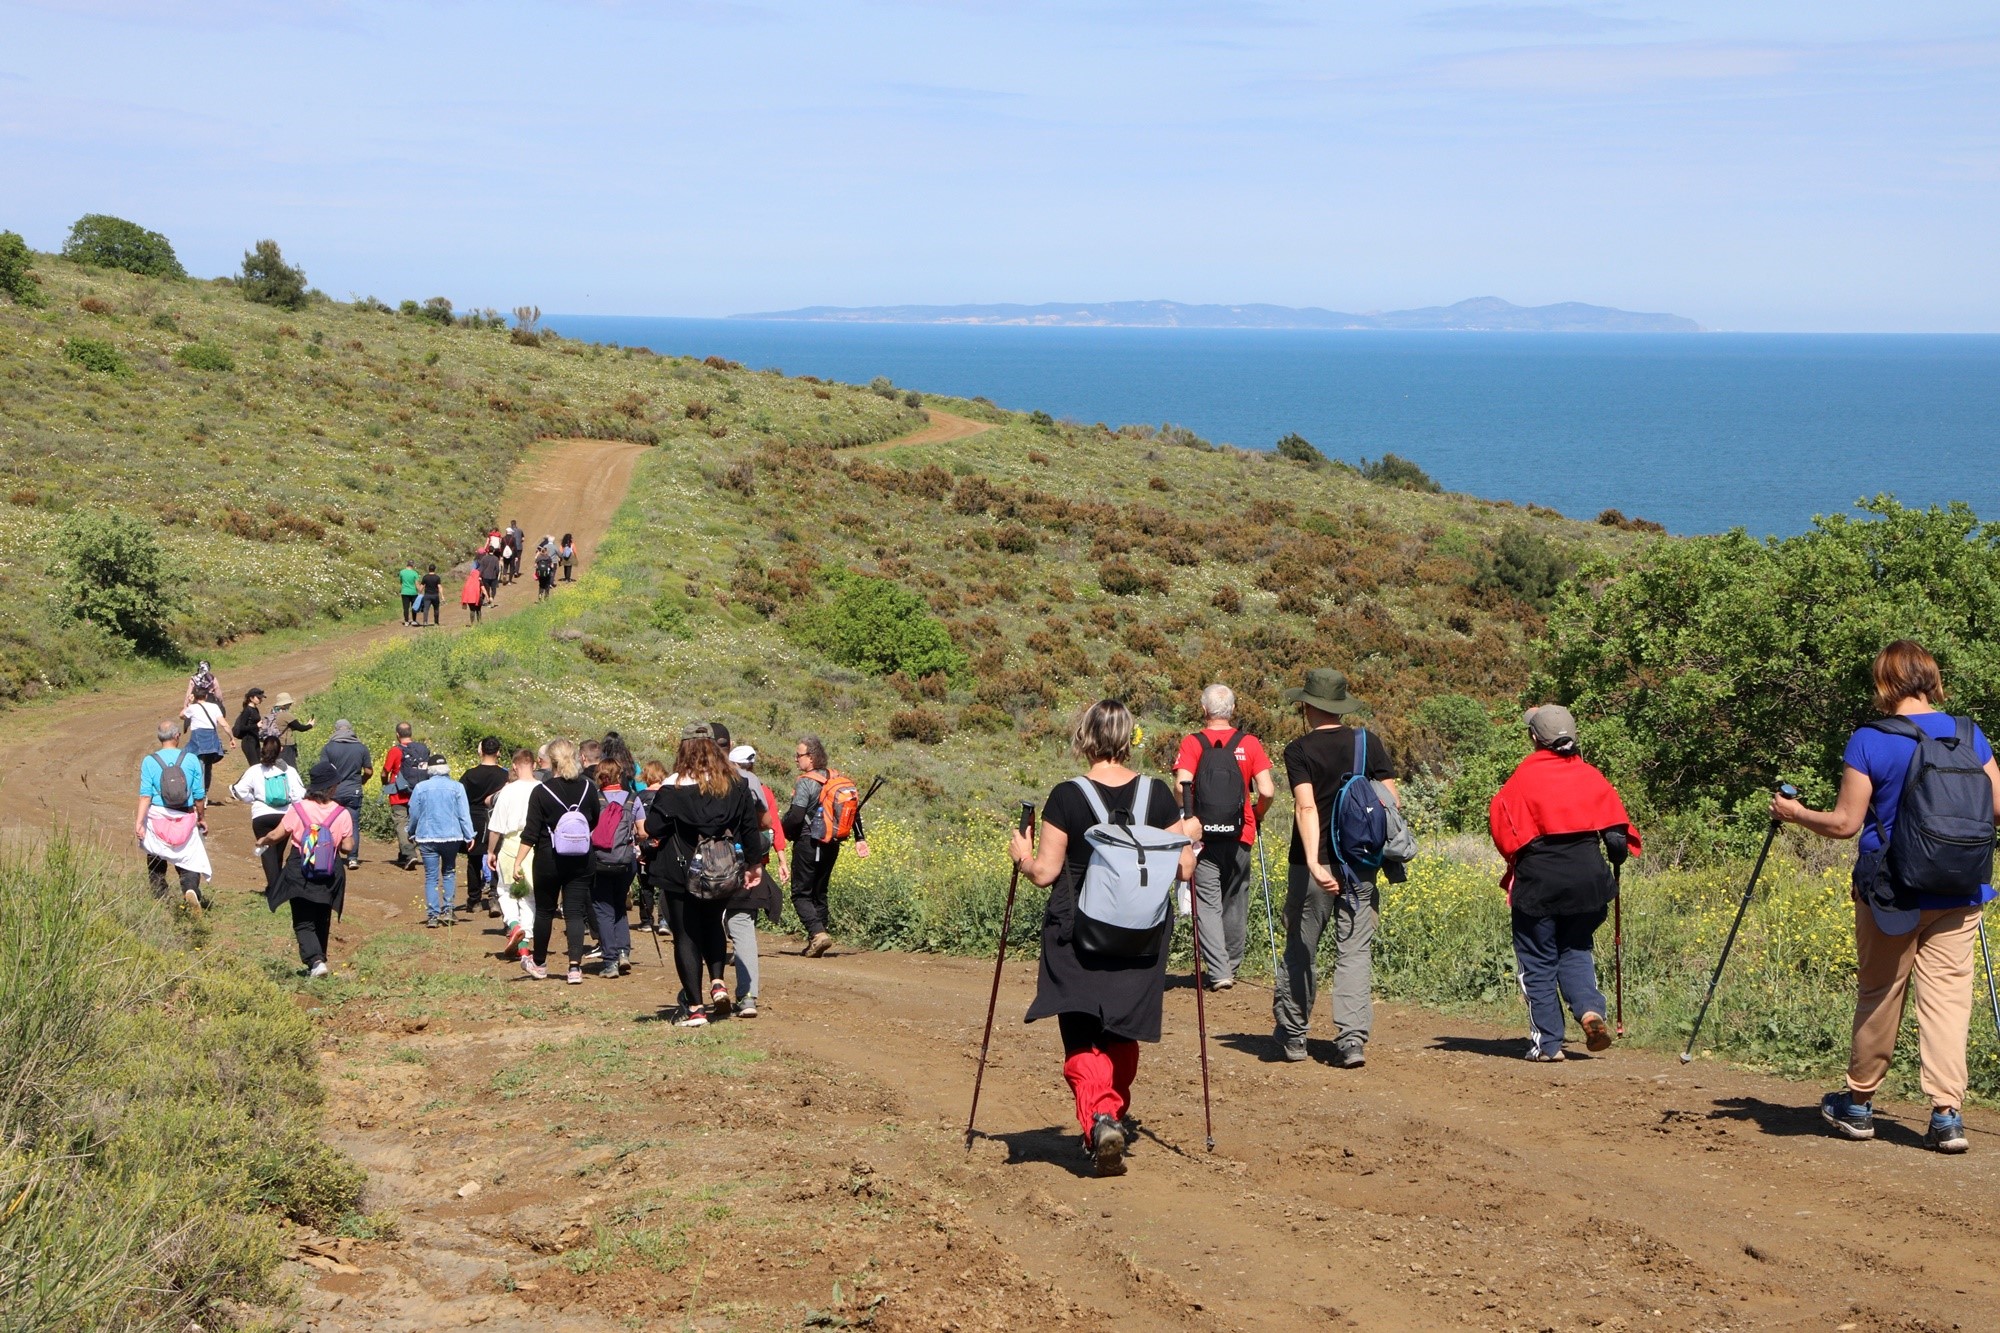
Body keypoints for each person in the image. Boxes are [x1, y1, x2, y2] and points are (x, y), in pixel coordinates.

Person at [1772, 640, 1999, 1154]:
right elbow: (1998, 809)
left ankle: (1857, 1104)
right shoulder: (1968, 733)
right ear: (1930, 677)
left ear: (1884, 681)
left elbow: (1846, 824)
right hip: (1960, 889)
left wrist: (1795, 813)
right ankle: (1946, 1115)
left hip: (1891, 890)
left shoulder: (1869, 739)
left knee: (1882, 993)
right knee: (1949, 1001)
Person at [1009, 700, 1198, 1176]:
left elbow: (1045, 873)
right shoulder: (1157, 795)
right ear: (1128, 738)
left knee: (1080, 1033)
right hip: (1142, 936)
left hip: (1076, 933)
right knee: (1121, 1030)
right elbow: (1182, 867)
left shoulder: (1067, 796)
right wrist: (1191, 838)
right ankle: (1111, 1110)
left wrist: (1022, 856)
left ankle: (1100, 1116)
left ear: (1084, 738)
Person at [1488, 705, 1641, 1062]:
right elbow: (1618, 838)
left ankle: (1549, 1044)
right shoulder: (1590, 775)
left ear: (1533, 738)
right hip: (1589, 880)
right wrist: (1614, 856)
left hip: (1540, 881)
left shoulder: (1521, 780)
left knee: (1538, 960)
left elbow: (1504, 834)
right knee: (1575, 948)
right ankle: (1589, 1012)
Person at [1271, 668, 1399, 1067]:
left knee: (1302, 947)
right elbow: (1391, 801)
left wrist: (1313, 861)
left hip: (1312, 864)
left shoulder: (1298, 750)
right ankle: (1351, 1042)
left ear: (1307, 706)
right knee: (1354, 952)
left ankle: (1294, 1037)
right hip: (1360, 865)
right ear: (1340, 707)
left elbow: (1305, 806)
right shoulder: (1367, 742)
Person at [643, 724, 767, 1027]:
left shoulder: (674, 787)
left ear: (683, 750)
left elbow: (653, 828)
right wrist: (754, 863)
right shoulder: (735, 784)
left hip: (681, 873)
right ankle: (718, 982)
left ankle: (696, 1008)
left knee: (685, 936)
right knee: (713, 924)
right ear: (714, 748)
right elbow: (750, 826)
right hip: (722, 870)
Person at [1172, 683, 1276, 991]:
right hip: (1240, 832)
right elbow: (1267, 790)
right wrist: (1256, 814)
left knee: (1208, 903)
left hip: (1203, 834)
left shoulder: (1193, 742)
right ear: (1232, 710)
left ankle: (1219, 972)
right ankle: (1231, 964)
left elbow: (1182, 786)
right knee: (1235, 899)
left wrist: (1188, 815)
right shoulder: (1250, 743)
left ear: (1203, 710)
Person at [512, 738, 602, 983]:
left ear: (550, 761)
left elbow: (530, 832)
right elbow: (594, 820)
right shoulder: (588, 787)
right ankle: (574, 968)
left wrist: (517, 861)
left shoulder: (541, 791)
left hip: (548, 858)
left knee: (544, 912)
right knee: (574, 912)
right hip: (582, 858)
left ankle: (539, 963)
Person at [258, 758, 355, 977]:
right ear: (330, 787)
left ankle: (315, 961)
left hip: (299, 868)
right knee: (322, 915)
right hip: (329, 869)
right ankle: (319, 958)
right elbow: (348, 847)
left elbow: (277, 835)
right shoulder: (342, 813)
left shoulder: (299, 809)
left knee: (303, 918)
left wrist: (263, 840)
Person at [784, 734, 869, 957]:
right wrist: (860, 838)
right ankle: (819, 939)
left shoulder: (805, 782)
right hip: (832, 844)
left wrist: (782, 832)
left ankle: (817, 933)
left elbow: (796, 816)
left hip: (808, 843)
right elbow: (853, 812)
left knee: (800, 894)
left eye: (798, 755)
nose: (796, 759)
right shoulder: (836, 778)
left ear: (810, 757)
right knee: (820, 892)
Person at [726, 743, 787, 1018]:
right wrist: (779, 859)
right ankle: (747, 995)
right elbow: (770, 824)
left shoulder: (693, 780)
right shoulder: (758, 787)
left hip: (706, 866)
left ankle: (711, 986)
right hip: (747, 864)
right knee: (743, 925)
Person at [135, 720, 212, 911]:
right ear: (177, 736)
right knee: (189, 857)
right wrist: (201, 817)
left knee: (156, 855)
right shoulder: (191, 759)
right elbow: (199, 795)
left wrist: (139, 823)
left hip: (157, 816)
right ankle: (190, 888)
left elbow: (145, 795)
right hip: (184, 815)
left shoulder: (149, 761)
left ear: (159, 738)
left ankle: (159, 896)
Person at [485, 748, 540, 959]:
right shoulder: (542, 788)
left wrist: (491, 851)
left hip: (510, 845)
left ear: (514, 766)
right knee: (530, 897)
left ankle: (514, 925)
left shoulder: (507, 791)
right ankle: (524, 946)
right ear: (534, 765)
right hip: (534, 846)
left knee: (506, 891)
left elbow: (496, 826)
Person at [232, 734, 304, 894]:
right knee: (278, 852)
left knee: (267, 852)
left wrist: (253, 800)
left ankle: (274, 888)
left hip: (261, 816)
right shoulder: (289, 770)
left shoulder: (254, 770)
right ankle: (276, 887)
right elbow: (299, 795)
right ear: (280, 751)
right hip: (285, 816)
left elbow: (239, 790)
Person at [409, 755, 475, 928]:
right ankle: (449, 910)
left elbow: (414, 813)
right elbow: (463, 815)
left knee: (431, 876)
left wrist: (411, 831)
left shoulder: (420, 787)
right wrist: (469, 836)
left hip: (427, 836)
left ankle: (432, 915)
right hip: (451, 837)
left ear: (429, 769)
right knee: (449, 872)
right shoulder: (457, 787)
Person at [588, 760, 639, 978]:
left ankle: (610, 962)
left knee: (602, 909)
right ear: (619, 776)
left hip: (599, 860)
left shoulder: (593, 798)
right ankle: (623, 952)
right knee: (620, 905)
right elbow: (643, 831)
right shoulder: (632, 799)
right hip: (625, 861)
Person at [460, 736, 510, 915]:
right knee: (495, 858)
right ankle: (495, 898)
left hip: (473, 818)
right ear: (498, 752)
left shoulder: (470, 773)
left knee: (473, 861)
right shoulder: (505, 774)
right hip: (497, 818)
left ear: (481, 750)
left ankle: (474, 900)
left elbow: (461, 798)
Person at [319, 720, 373, 870]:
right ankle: (353, 858)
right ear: (351, 730)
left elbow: (324, 769)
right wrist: (362, 781)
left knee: (329, 823)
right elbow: (369, 771)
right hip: (353, 791)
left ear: (335, 730)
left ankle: (329, 854)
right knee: (353, 824)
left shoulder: (329, 747)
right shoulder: (361, 748)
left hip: (333, 792)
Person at [382, 722, 427, 871]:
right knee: (414, 823)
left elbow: (385, 771)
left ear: (397, 734)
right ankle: (404, 855)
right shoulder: (422, 749)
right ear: (411, 733)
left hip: (399, 794)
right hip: (417, 793)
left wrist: (386, 784)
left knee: (401, 823)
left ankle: (409, 853)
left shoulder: (395, 751)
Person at [635, 759, 672, 936]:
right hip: (664, 845)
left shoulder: (639, 796)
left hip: (644, 845)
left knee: (645, 883)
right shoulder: (668, 795)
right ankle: (664, 920)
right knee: (665, 884)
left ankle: (646, 920)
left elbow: (636, 825)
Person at [179, 684, 231, 800]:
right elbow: (224, 724)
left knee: (198, 767)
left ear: (195, 696)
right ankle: (204, 794)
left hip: (197, 740)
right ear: (206, 696)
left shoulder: (192, 708)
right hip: (211, 740)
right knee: (208, 767)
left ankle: (199, 796)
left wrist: (189, 703)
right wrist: (231, 738)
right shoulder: (214, 707)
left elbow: (181, 715)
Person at [259, 691, 314, 769]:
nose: (290, 705)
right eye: (289, 704)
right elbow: (301, 728)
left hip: (276, 745)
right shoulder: (286, 715)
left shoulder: (273, 714)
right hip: (286, 746)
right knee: (289, 768)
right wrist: (310, 725)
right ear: (284, 705)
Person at [232, 687, 266, 774]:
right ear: (251, 698)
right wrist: (256, 725)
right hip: (248, 741)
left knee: (259, 766)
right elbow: (242, 727)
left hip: (255, 740)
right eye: (258, 698)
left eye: (261, 698)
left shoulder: (255, 709)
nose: (260, 700)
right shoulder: (247, 710)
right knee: (255, 767)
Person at [399, 560, 421, 625]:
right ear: (413, 565)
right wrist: (420, 590)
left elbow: (401, 581)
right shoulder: (415, 573)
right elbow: (417, 584)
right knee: (414, 606)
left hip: (405, 592)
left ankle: (406, 621)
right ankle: (414, 620)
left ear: (407, 564)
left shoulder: (402, 572)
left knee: (406, 607)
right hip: (413, 592)